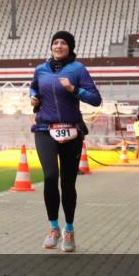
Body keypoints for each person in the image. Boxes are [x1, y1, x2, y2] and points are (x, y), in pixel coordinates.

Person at [29, 31, 102, 252]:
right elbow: (34, 87)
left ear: (70, 47)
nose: (59, 46)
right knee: (50, 176)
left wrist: (74, 89)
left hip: (71, 130)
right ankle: (53, 228)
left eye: (63, 43)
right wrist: (33, 97)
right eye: (55, 42)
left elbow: (96, 99)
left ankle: (68, 229)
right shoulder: (40, 69)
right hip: (44, 129)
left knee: (67, 183)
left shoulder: (78, 69)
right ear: (51, 46)